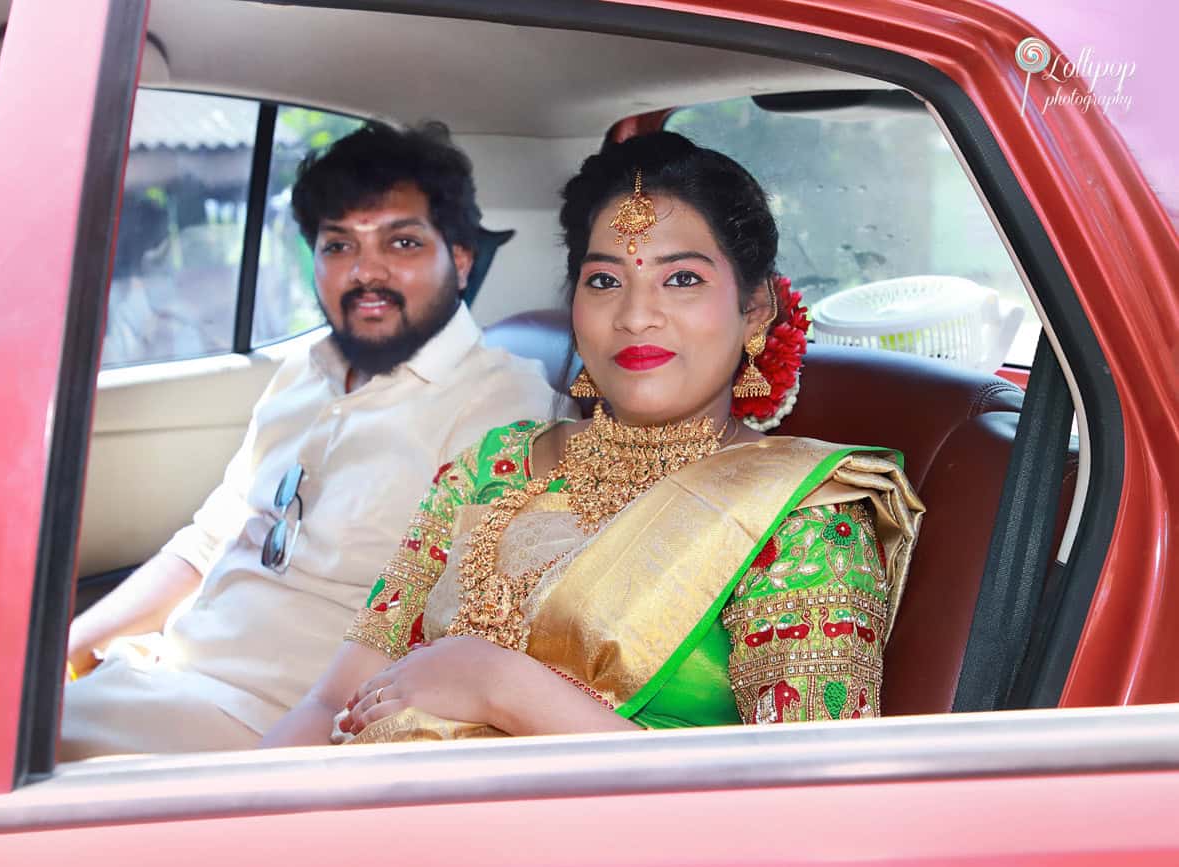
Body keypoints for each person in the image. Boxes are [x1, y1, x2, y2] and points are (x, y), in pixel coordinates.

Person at [263, 131, 926, 748]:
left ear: (754, 309)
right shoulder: (492, 465)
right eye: (605, 280)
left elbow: (806, 807)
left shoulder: (803, 518)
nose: (636, 315)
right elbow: (330, 705)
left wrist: (503, 685)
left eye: (682, 279)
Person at [60, 122, 558, 759]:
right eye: (339, 245)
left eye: (401, 242)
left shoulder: (502, 406)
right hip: (163, 672)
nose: (366, 271)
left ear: (460, 259)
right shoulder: (303, 371)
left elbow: (459, 631)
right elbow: (209, 543)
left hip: (278, 724)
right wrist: (65, 646)